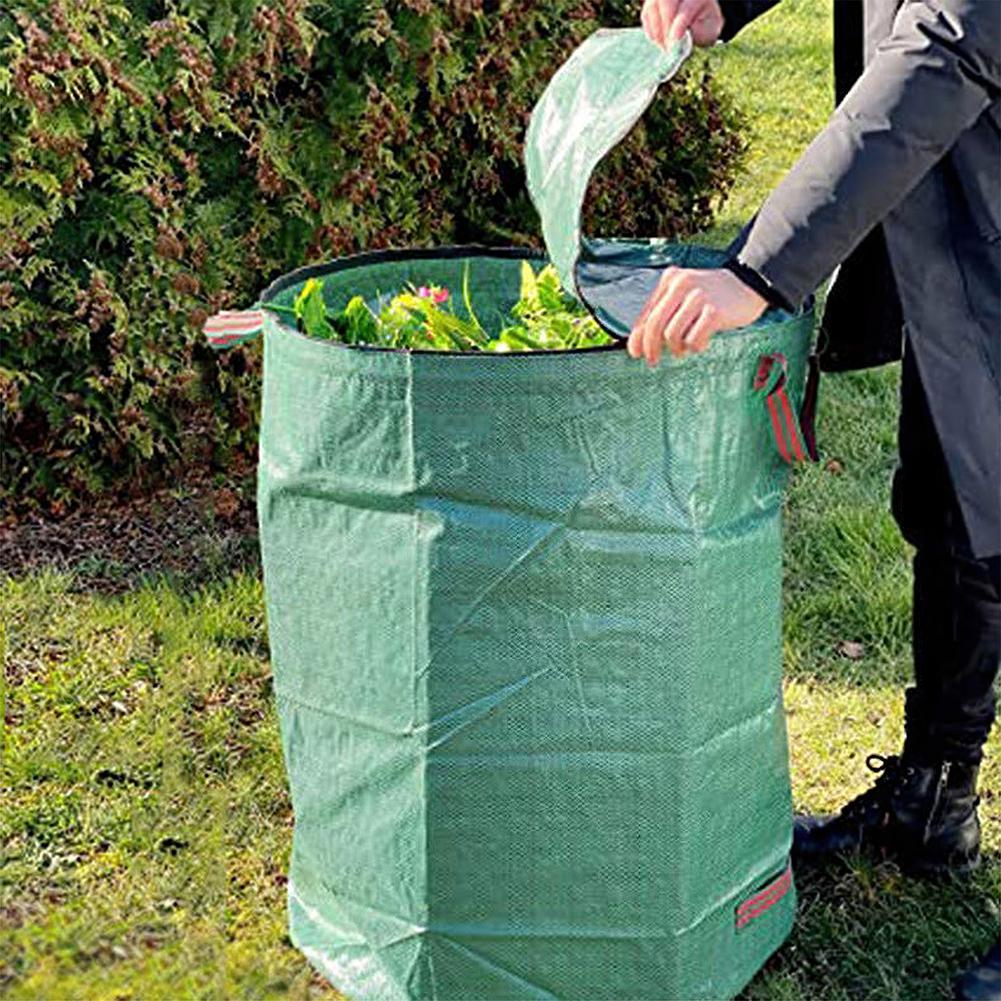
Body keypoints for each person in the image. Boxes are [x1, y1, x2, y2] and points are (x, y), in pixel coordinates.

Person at [632, 1, 1001, 997]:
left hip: (965, 129)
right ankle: (932, 797)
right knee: (958, 496)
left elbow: (948, 43)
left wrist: (762, 266)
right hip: (959, 203)